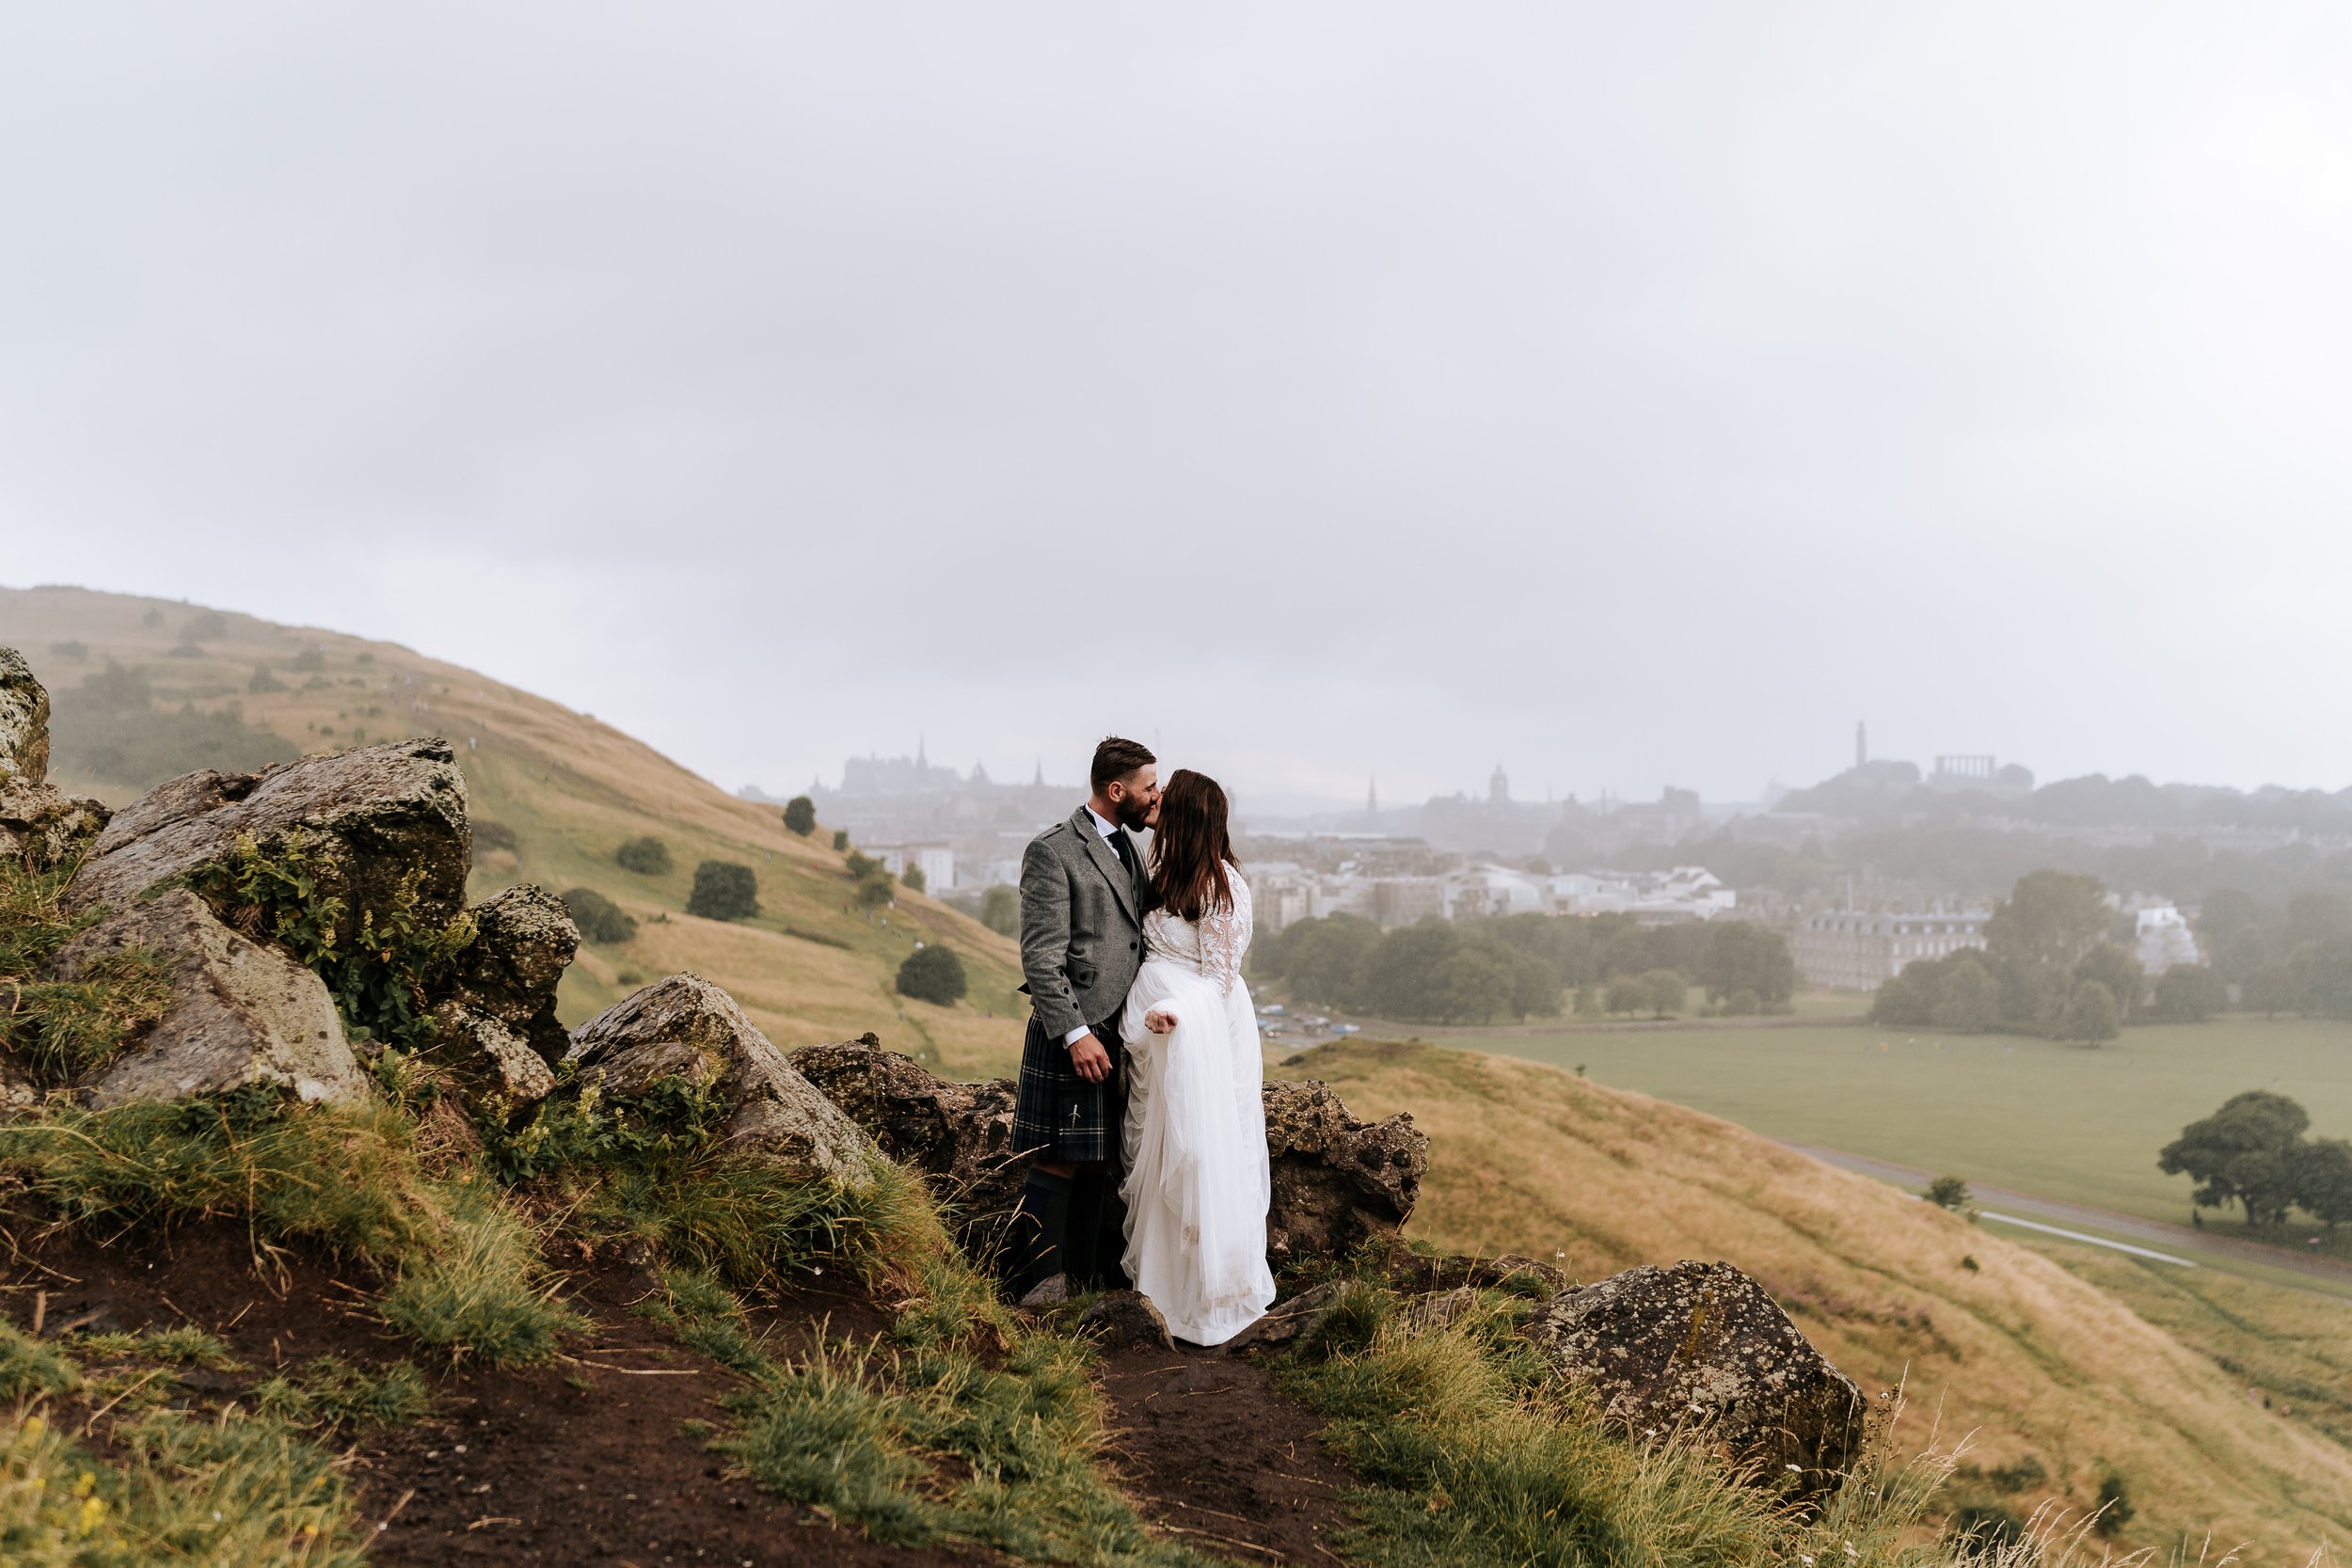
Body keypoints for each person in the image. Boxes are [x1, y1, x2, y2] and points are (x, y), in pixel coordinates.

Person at [1118, 768, 1275, 1346]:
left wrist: (1180, 1018)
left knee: (1205, 1152)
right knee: (1160, 1158)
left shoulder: (1223, 886)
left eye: (1166, 794)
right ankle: (1164, 1292)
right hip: (1161, 1043)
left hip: (1200, 1040)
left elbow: (1221, 981)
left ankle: (1208, 1297)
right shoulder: (1163, 875)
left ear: (1186, 812)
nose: (1155, 799)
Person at [1008, 736, 1160, 1301]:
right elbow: (1041, 957)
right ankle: (1043, 1288)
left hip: (1121, 1030)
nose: (1155, 798)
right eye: (1148, 788)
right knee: (1058, 1162)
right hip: (1078, 1029)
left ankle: (1087, 1284)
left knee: (1099, 1162)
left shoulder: (1130, 845)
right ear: (1115, 790)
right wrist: (1074, 1034)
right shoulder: (1052, 851)